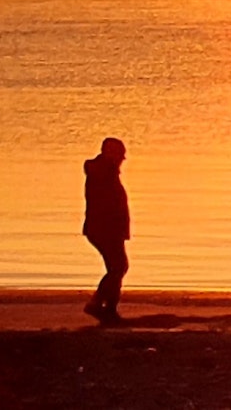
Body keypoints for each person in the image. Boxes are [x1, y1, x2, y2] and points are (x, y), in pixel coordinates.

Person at [82, 137, 130, 324]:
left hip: (108, 228)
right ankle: (98, 304)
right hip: (104, 229)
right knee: (118, 266)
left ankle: (109, 309)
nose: (122, 159)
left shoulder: (107, 172)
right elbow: (107, 204)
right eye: (119, 155)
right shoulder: (102, 172)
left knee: (117, 267)